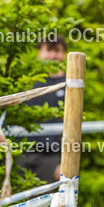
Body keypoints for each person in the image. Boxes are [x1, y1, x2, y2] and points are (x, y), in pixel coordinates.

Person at [17, 38, 67, 183]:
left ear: (64, 54)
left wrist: (64, 162)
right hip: (21, 154)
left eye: (57, 50)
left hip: (52, 158)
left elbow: (74, 125)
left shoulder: (69, 85)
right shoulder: (27, 82)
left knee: (48, 197)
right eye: (49, 50)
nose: (53, 55)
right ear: (39, 53)